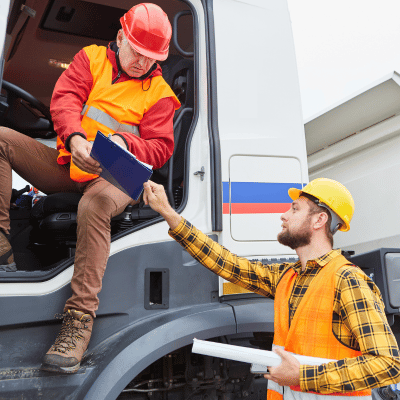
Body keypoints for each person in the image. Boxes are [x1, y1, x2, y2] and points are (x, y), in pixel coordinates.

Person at [0, 3, 180, 373]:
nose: (142, 63)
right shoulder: (91, 58)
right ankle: (3, 251)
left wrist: (125, 145)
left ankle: (78, 322)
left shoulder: (160, 93)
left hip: (117, 177)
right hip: (74, 161)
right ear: (119, 38)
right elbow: (65, 99)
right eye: (137, 53)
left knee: (94, 206)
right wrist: (76, 138)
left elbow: (161, 147)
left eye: (151, 58)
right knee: (0, 139)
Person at [143, 178, 400, 398]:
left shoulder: (347, 280)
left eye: (295, 209)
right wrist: (169, 213)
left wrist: (302, 376)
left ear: (319, 219)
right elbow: (230, 265)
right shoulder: (288, 277)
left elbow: (387, 365)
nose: (284, 215)